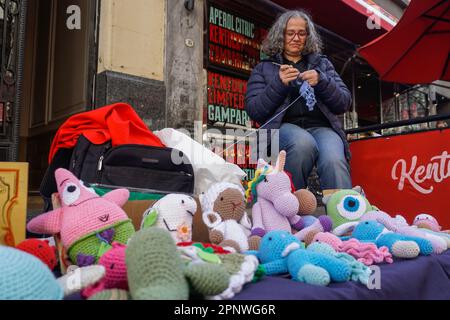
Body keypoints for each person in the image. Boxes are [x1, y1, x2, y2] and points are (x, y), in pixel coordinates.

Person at [245, 10, 353, 191]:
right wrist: (279, 84)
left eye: (301, 33)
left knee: (334, 158)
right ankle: (292, 205)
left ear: (308, 37)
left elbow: (343, 102)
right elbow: (254, 110)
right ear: (281, 35)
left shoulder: (322, 65)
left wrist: (322, 81)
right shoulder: (264, 68)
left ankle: (343, 212)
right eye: (290, 33)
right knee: (303, 143)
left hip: (322, 128)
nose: (296, 38)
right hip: (281, 130)